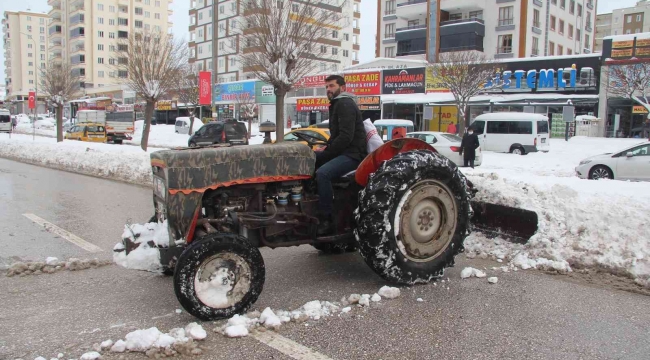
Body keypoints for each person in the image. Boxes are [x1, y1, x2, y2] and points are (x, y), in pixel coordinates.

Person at [315, 75, 367, 235]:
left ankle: (327, 219)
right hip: (345, 151)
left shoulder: (345, 103)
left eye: (332, 86)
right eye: (326, 87)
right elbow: (337, 135)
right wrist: (326, 146)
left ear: (343, 87)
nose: (328, 89)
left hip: (353, 154)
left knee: (322, 174)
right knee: (311, 161)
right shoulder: (337, 104)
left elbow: (346, 137)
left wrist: (328, 152)